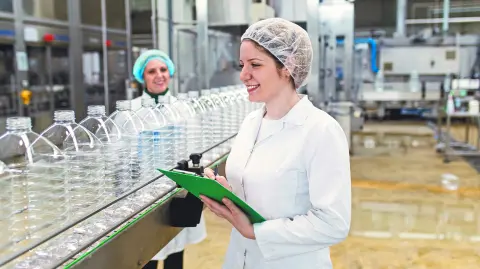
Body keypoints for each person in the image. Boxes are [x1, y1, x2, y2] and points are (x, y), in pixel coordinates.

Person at [201, 18, 351, 269]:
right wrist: (226, 193)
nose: (243, 74)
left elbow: (333, 225)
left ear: (288, 66)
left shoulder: (320, 130)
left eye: (255, 65)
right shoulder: (251, 122)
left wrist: (257, 232)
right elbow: (259, 192)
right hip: (240, 259)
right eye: (242, 64)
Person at [132, 49, 207, 269]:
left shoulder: (182, 108)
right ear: (142, 77)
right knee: (146, 253)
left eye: (163, 69)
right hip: (144, 192)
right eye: (151, 71)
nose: (159, 75)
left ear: (170, 73)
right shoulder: (133, 111)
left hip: (177, 187)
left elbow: (195, 145)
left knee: (175, 249)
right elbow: (123, 156)